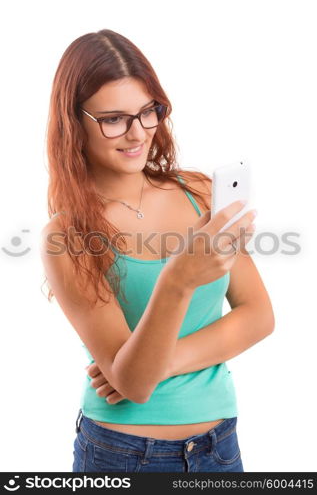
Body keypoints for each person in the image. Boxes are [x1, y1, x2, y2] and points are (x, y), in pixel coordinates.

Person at [40, 29, 275, 473]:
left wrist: (159, 364)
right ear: (74, 122)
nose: (138, 133)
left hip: (219, 447)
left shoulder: (199, 193)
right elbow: (135, 386)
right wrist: (179, 278)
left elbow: (258, 316)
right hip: (120, 456)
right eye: (114, 119)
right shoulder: (66, 237)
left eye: (148, 112)